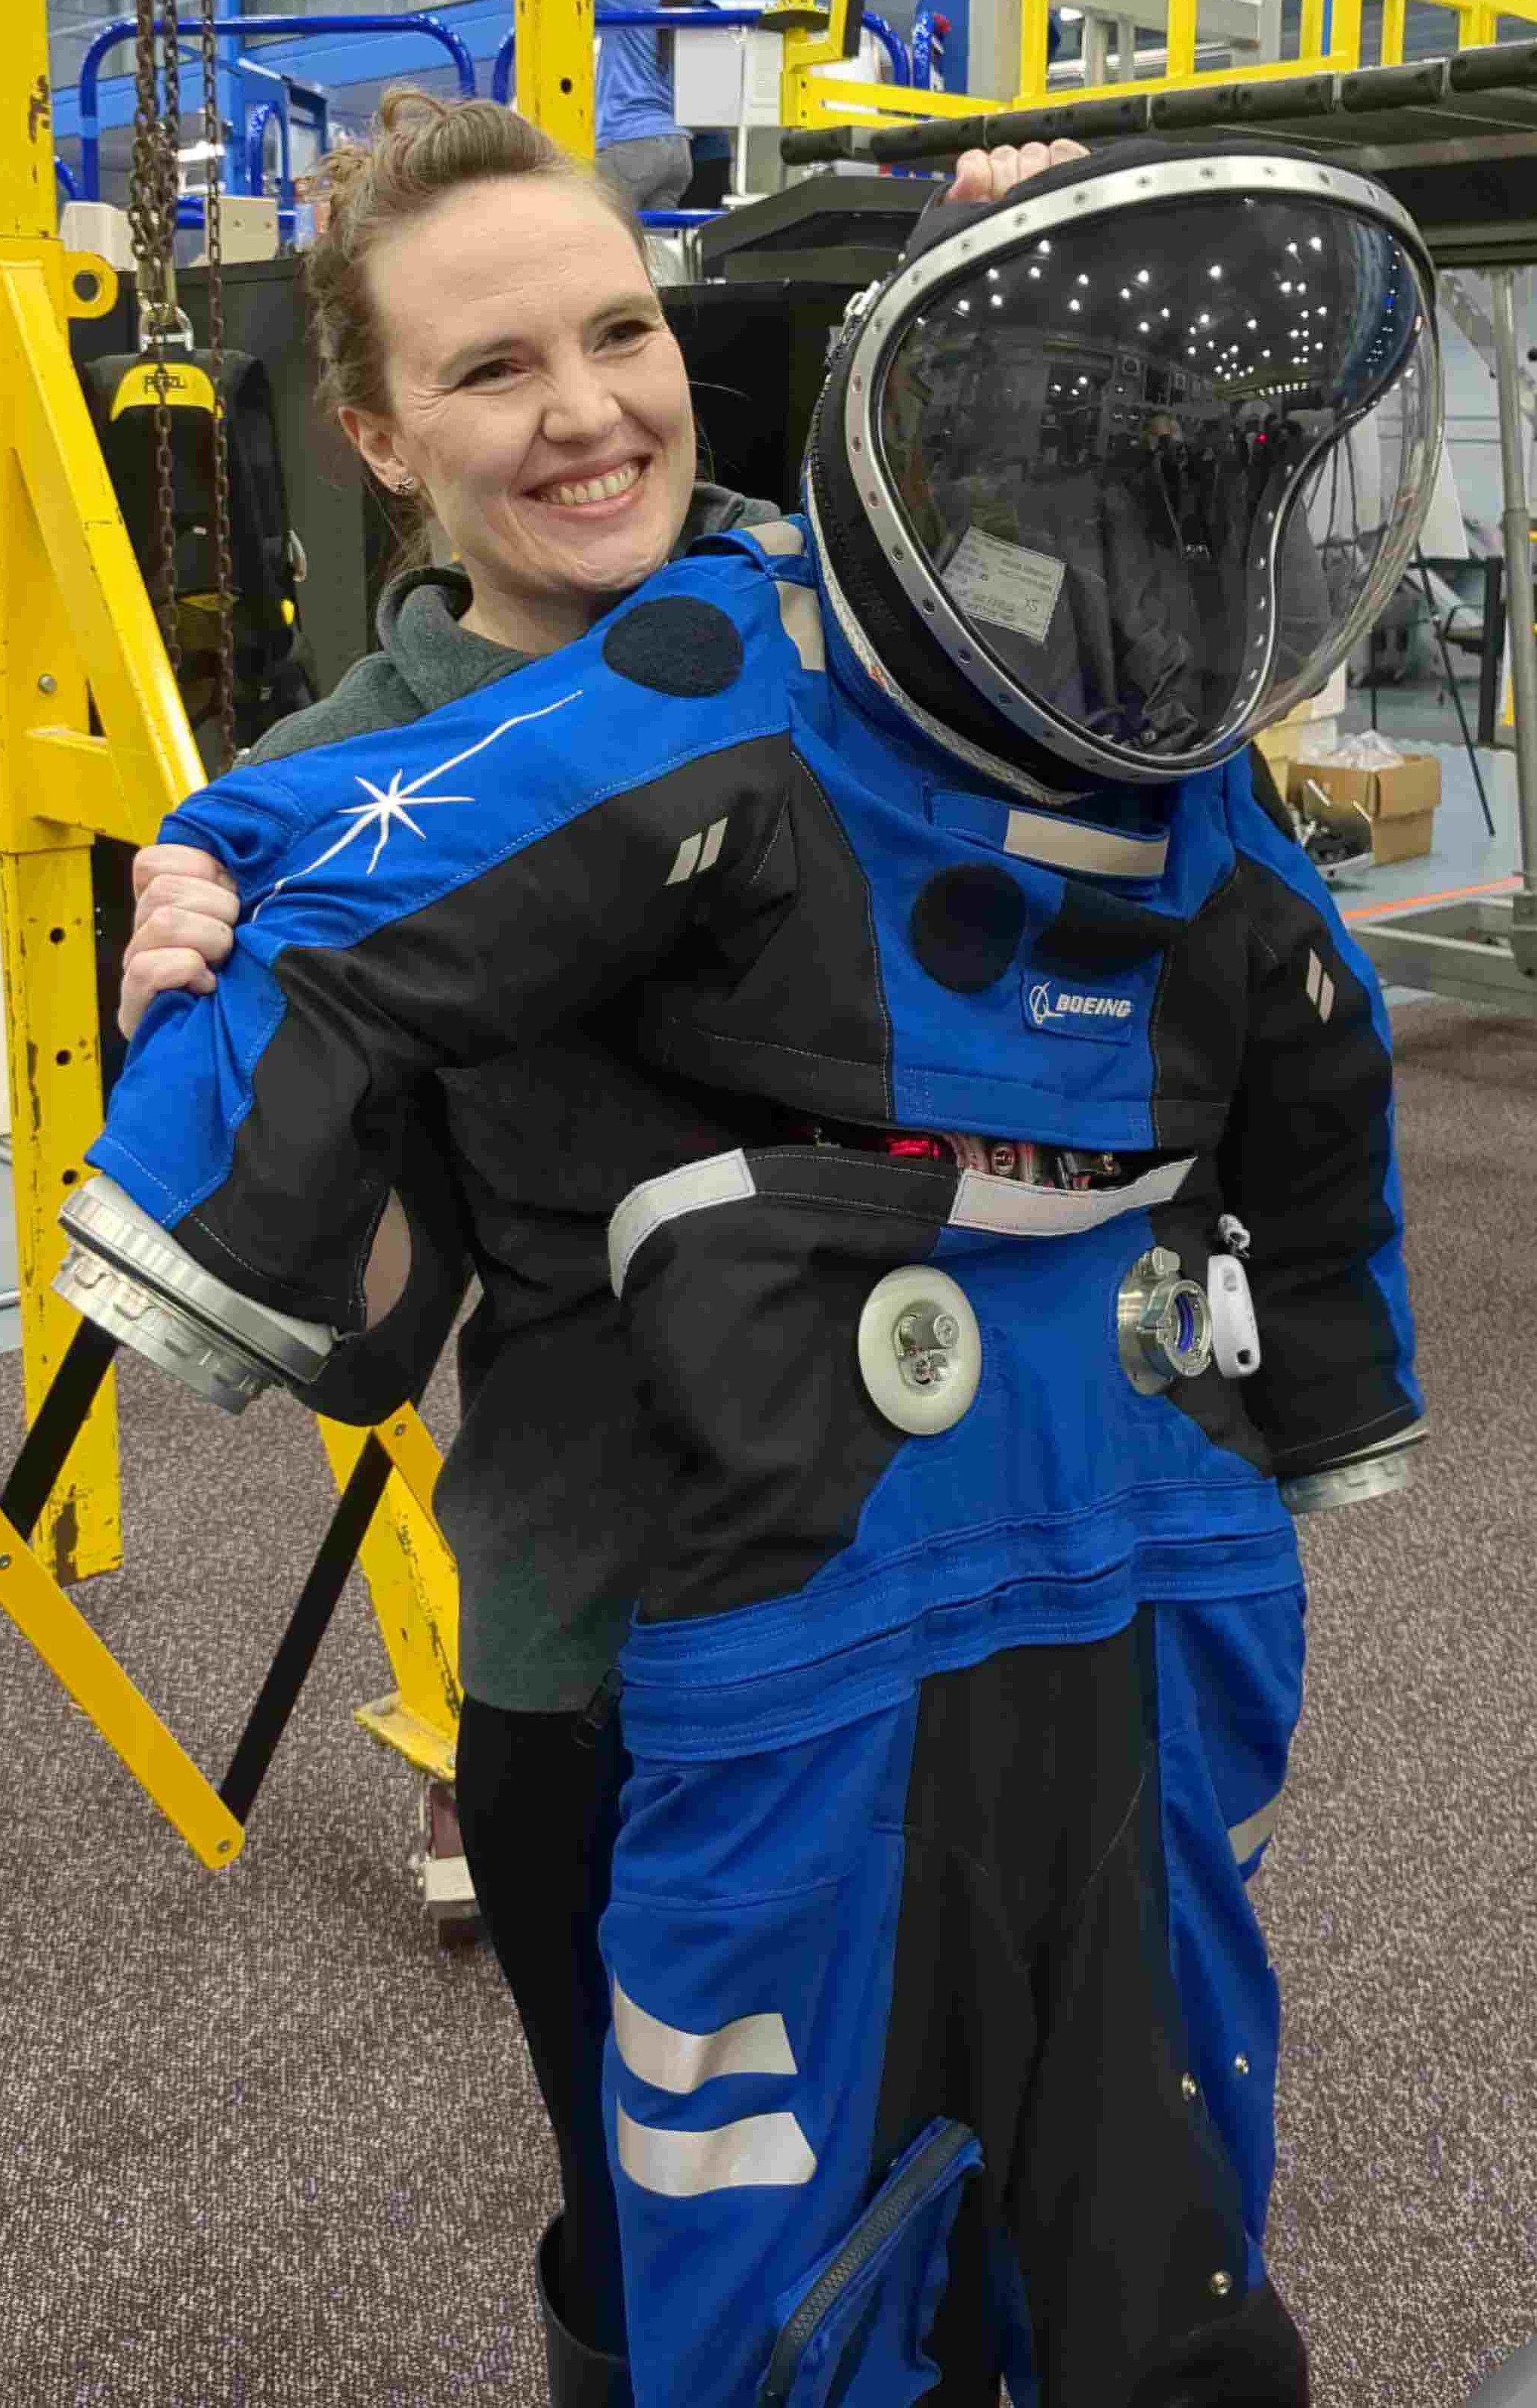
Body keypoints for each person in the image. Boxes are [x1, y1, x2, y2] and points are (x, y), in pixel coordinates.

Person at [117, 88, 1082, 2408]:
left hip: (1011, 1574)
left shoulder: (893, 594)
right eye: (489, 371)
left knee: (1053, 2187)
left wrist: (1057, 351)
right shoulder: (350, 799)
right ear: (373, 433)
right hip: (631, 1667)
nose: (587, 416)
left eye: (619, 334)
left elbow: (1158, 757)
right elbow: (361, 1344)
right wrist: (208, 1012)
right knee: (700, 2258)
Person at [595, 5, 696, 216]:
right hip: (677, 146)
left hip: (631, 141)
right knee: (657, 246)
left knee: (592, 224)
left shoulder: (630, 4)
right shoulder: (682, 8)